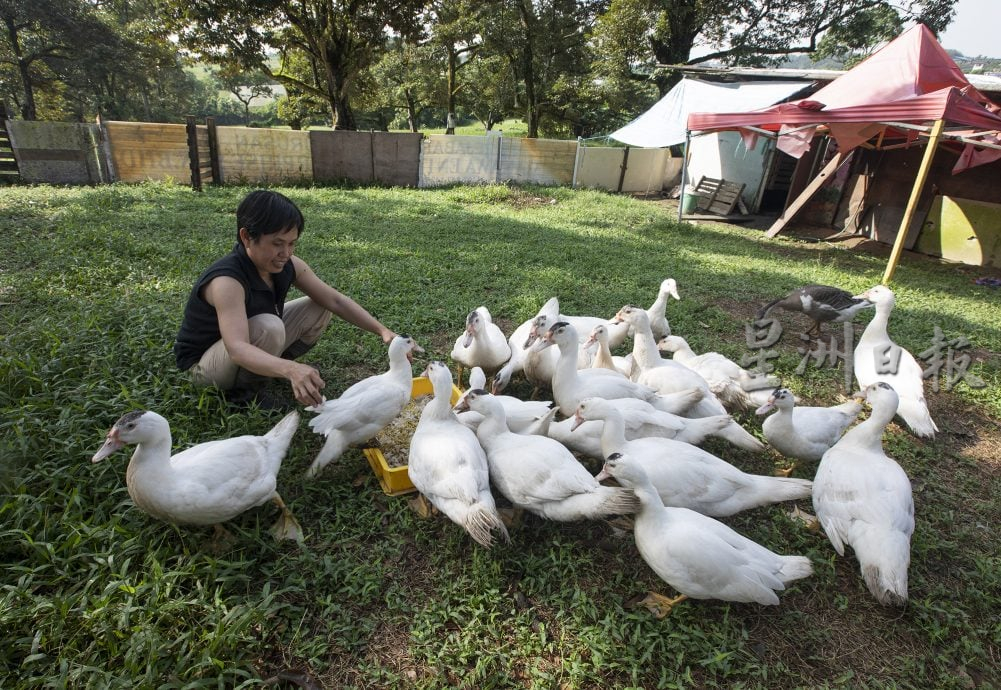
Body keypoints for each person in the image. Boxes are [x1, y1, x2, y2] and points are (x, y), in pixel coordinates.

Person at [174, 189, 396, 408]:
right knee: (268, 326)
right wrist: (291, 369)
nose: (286, 253)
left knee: (319, 306)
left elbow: (334, 300)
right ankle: (246, 395)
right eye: (277, 243)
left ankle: (272, 369)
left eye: (292, 243)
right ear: (247, 237)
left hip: (246, 347)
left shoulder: (287, 265)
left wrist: (383, 331)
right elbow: (237, 348)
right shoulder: (227, 281)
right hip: (204, 367)